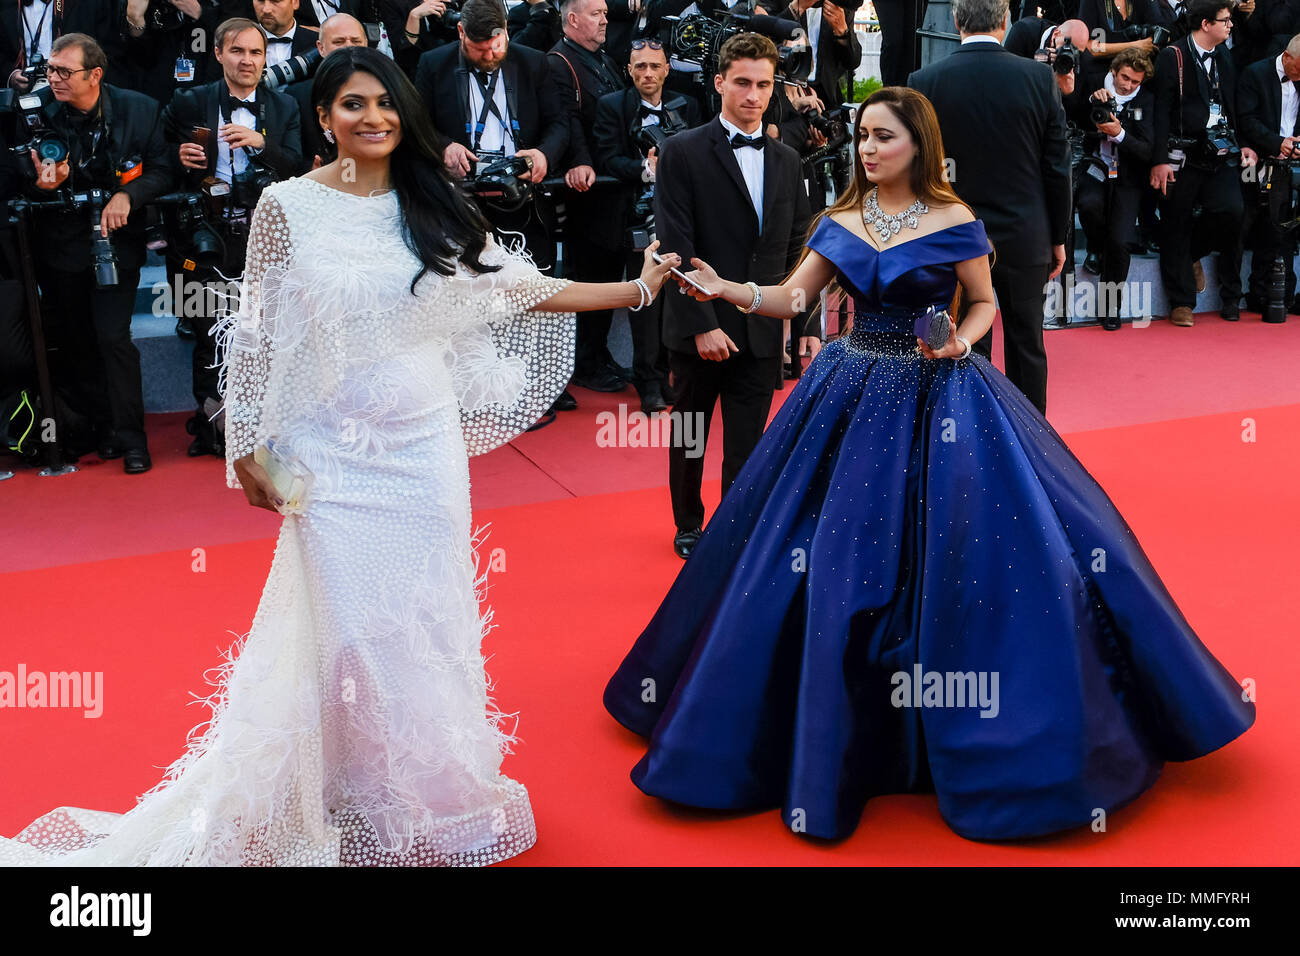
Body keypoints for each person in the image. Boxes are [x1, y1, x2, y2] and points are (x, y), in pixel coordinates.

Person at [0, 46, 679, 867]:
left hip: (423, 453)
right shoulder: (289, 205)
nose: (374, 118)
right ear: (322, 117)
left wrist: (637, 290)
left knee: (425, 621)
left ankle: (429, 791)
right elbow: (256, 328)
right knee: (352, 634)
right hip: (333, 458)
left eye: (386, 104)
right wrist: (244, 444)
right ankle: (346, 786)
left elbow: (522, 285)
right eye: (353, 105)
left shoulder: (434, 204)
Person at [603, 86, 1256, 843]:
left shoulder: (956, 221)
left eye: (882, 136)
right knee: (823, 550)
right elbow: (792, 298)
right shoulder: (840, 220)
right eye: (861, 136)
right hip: (848, 385)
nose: (868, 149)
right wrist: (730, 291)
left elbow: (984, 304)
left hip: (944, 387)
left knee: (977, 547)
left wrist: (962, 341)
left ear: (919, 143)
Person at [654, 32, 812, 559]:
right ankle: (687, 524)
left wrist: (791, 317)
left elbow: (795, 250)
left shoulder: (789, 161)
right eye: (742, 82)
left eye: (764, 84)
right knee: (692, 435)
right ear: (719, 83)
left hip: (761, 327)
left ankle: (736, 528)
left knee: (749, 441)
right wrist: (703, 324)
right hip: (699, 325)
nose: (753, 95)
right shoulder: (681, 152)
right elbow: (675, 248)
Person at [909, 0, 1071, 417]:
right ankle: (1031, 445)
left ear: (957, 21)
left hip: (952, 239)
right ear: (1005, 21)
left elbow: (915, 168)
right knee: (1027, 344)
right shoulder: (1038, 77)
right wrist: (1057, 237)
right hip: (1025, 236)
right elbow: (1057, 167)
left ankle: (964, 440)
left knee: (962, 344)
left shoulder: (925, 80)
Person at [20, 33, 173, 473]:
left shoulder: (140, 109)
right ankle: (101, 427)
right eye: (50, 70)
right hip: (59, 247)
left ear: (96, 75)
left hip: (115, 243)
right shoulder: (37, 111)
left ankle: (132, 438)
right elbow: (19, 174)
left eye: (64, 72)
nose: (54, 80)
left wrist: (129, 196)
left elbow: (164, 170)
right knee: (76, 340)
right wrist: (42, 183)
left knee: (112, 338)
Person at [162, 17, 302, 456]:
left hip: (263, 235)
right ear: (219, 53)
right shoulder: (189, 100)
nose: (247, 60)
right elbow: (156, 154)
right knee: (208, 330)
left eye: (256, 52)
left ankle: (262, 423)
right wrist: (176, 154)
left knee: (263, 332)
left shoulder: (284, 107)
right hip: (205, 232)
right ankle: (212, 426)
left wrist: (261, 141)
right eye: (237, 51)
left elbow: (297, 165)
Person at [592, 37, 701, 413]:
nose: (648, 73)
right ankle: (647, 380)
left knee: (676, 297)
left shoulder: (687, 104)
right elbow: (606, 158)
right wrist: (644, 170)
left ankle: (666, 374)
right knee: (645, 300)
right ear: (629, 71)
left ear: (667, 69)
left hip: (679, 217)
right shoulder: (611, 107)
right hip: (633, 218)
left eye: (655, 66)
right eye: (640, 67)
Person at [1149, 0, 1257, 326]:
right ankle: (1181, 302)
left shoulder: (1224, 55)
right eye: (1226, 21)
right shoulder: (1174, 56)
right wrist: (1159, 161)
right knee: (1175, 222)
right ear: (1206, 24)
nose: (1231, 25)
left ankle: (1193, 254)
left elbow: (1231, 105)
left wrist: (1244, 144)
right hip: (1181, 156)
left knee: (1232, 210)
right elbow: (1160, 113)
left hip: (1219, 153)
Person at [1076, 47, 1155, 329]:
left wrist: (1119, 134)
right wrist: (1091, 102)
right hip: (1094, 166)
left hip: (1128, 176)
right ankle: (1096, 245)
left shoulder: (1146, 100)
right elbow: (1071, 112)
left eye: (1135, 81)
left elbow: (1147, 150)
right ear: (1114, 71)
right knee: (1088, 205)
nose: (1128, 85)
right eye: (1124, 78)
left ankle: (1111, 308)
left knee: (1120, 242)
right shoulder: (1095, 84)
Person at [1235, 31, 1300, 318]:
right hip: (1255, 163)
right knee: (1249, 227)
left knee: (1284, 230)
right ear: (1287, 57)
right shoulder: (1254, 74)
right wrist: (1278, 143)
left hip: (1289, 167)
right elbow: (1246, 120)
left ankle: (1283, 295)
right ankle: (1250, 295)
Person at [285, 11, 370, 171]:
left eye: (355, 41)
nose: (348, 47)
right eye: (339, 42)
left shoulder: (385, 89)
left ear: (365, 43)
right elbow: (291, 155)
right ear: (321, 48)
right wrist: (311, 170)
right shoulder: (296, 96)